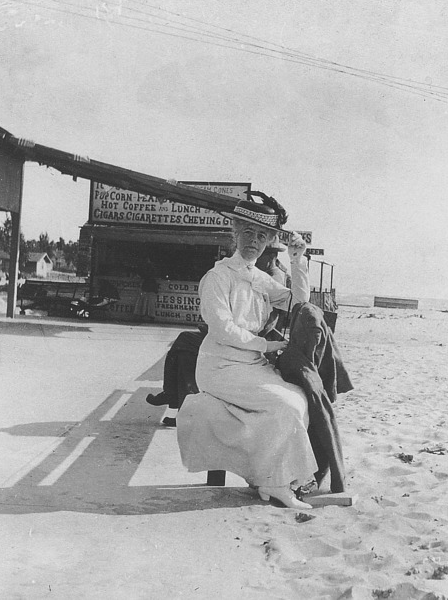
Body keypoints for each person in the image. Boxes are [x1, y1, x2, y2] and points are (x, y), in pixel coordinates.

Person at [176, 195, 317, 509]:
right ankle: (277, 483)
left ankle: (272, 480)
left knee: (297, 398)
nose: (254, 241)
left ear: (268, 242)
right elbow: (222, 327)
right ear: (234, 232)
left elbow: (298, 303)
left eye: (262, 236)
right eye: (248, 233)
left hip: (251, 365)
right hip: (220, 367)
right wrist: (264, 345)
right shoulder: (218, 277)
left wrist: (297, 259)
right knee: (285, 406)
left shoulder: (258, 278)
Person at [146, 241, 290, 426]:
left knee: (186, 346)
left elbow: (269, 322)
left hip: (252, 343)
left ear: (268, 256)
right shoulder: (241, 273)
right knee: (186, 348)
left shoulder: (270, 277)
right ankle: (175, 400)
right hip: (239, 341)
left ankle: (176, 401)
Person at [134, 255, 159, 321]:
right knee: (151, 303)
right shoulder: (154, 267)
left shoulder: (148, 266)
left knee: (143, 301)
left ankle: (141, 315)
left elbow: (145, 274)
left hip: (147, 285)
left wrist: (140, 276)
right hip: (152, 287)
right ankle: (151, 316)